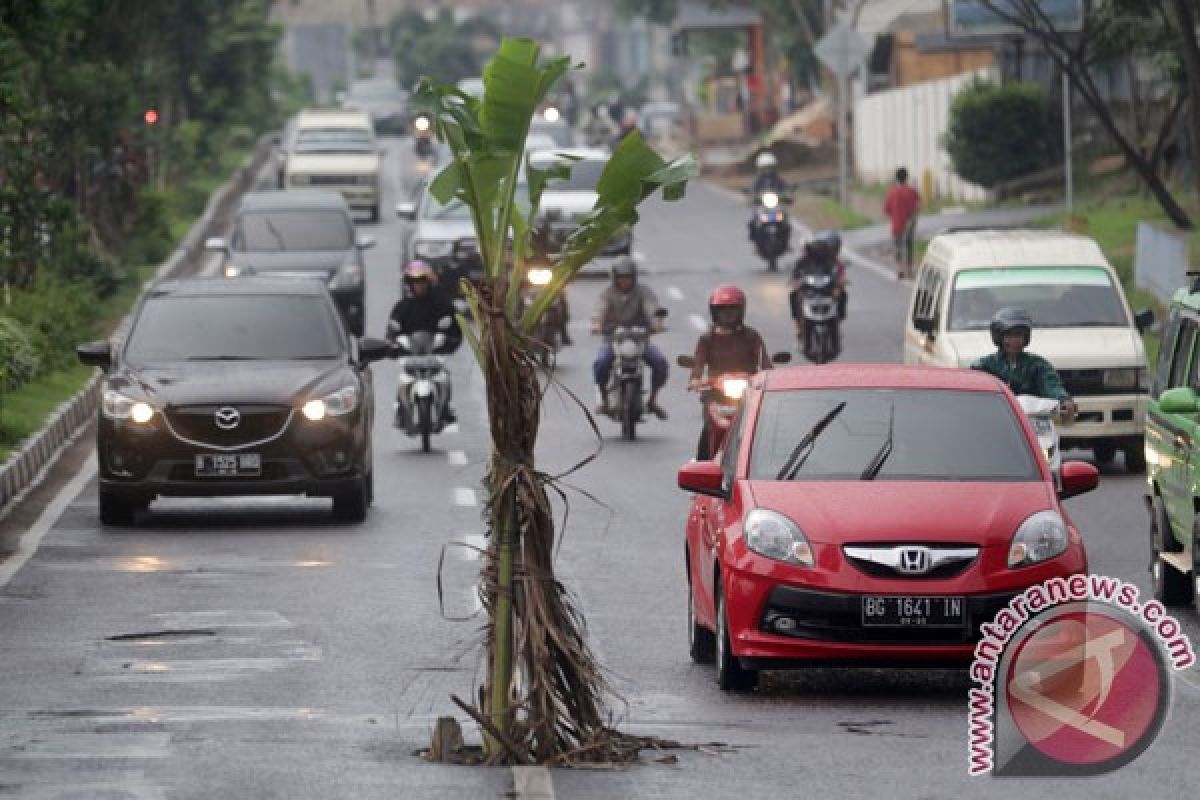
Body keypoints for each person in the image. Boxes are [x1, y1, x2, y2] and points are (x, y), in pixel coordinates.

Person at [688, 285, 773, 459]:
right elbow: (698, 364)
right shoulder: (707, 338)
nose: (727, 315)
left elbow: (764, 362)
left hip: (748, 391)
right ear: (714, 312)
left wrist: (770, 378)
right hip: (715, 393)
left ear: (741, 311)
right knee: (708, 428)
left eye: (732, 310)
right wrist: (695, 380)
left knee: (764, 428)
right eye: (723, 310)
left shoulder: (751, 336)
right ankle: (703, 463)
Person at [591, 255, 669, 419]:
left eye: (628, 277)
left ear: (634, 277)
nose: (625, 281)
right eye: (621, 278)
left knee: (660, 362)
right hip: (614, 339)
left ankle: (653, 400)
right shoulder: (607, 294)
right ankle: (604, 399)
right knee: (601, 363)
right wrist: (597, 324)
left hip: (639, 339)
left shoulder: (643, 292)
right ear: (614, 278)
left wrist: (656, 323)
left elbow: (651, 307)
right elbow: (599, 309)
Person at [387, 260, 462, 421]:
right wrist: (394, 346)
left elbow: (455, 330)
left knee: (444, 377)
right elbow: (392, 332)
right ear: (410, 285)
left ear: (428, 283)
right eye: (415, 283)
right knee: (402, 379)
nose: (419, 286)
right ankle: (401, 409)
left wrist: (449, 341)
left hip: (434, 356)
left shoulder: (442, 305)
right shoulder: (402, 308)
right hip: (411, 357)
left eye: (422, 282)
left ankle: (446, 409)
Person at [971, 307, 1077, 418]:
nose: (1015, 341)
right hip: (996, 419)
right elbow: (973, 387)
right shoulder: (983, 365)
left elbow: (1052, 385)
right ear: (998, 337)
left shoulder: (1038, 365)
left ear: (1026, 337)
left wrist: (1064, 400)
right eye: (1009, 335)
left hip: (1033, 421)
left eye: (1019, 335)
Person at [788, 234, 844, 340]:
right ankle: (798, 324)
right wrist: (795, 282)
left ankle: (838, 319)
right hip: (808, 292)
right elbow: (795, 275)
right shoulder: (802, 262)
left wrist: (838, 283)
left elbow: (837, 272)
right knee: (793, 295)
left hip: (826, 291)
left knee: (841, 294)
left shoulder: (829, 260)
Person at [883, 166, 920, 280]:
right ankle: (909, 269)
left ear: (896, 178)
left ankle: (899, 269)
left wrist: (894, 216)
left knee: (897, 246)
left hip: (896, 224)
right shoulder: (912, 191)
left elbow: (887, 209)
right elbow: (917, 205)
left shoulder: (892, 192)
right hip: (909, 224)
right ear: (906, 177)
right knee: (909, 245)